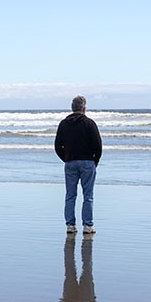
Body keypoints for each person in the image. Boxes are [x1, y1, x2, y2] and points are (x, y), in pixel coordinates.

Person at [54, 95, 102, 235]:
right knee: (88, 195)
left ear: (72, 108)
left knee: (70, 195)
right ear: (84, 108)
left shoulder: (64, 124)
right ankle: (87, 225)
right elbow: (98, 145)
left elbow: (57, 145)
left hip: (70, 162)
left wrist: (66, 158)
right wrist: (95, 161)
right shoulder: (89, 123)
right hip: (87, 162)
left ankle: (70, 225)